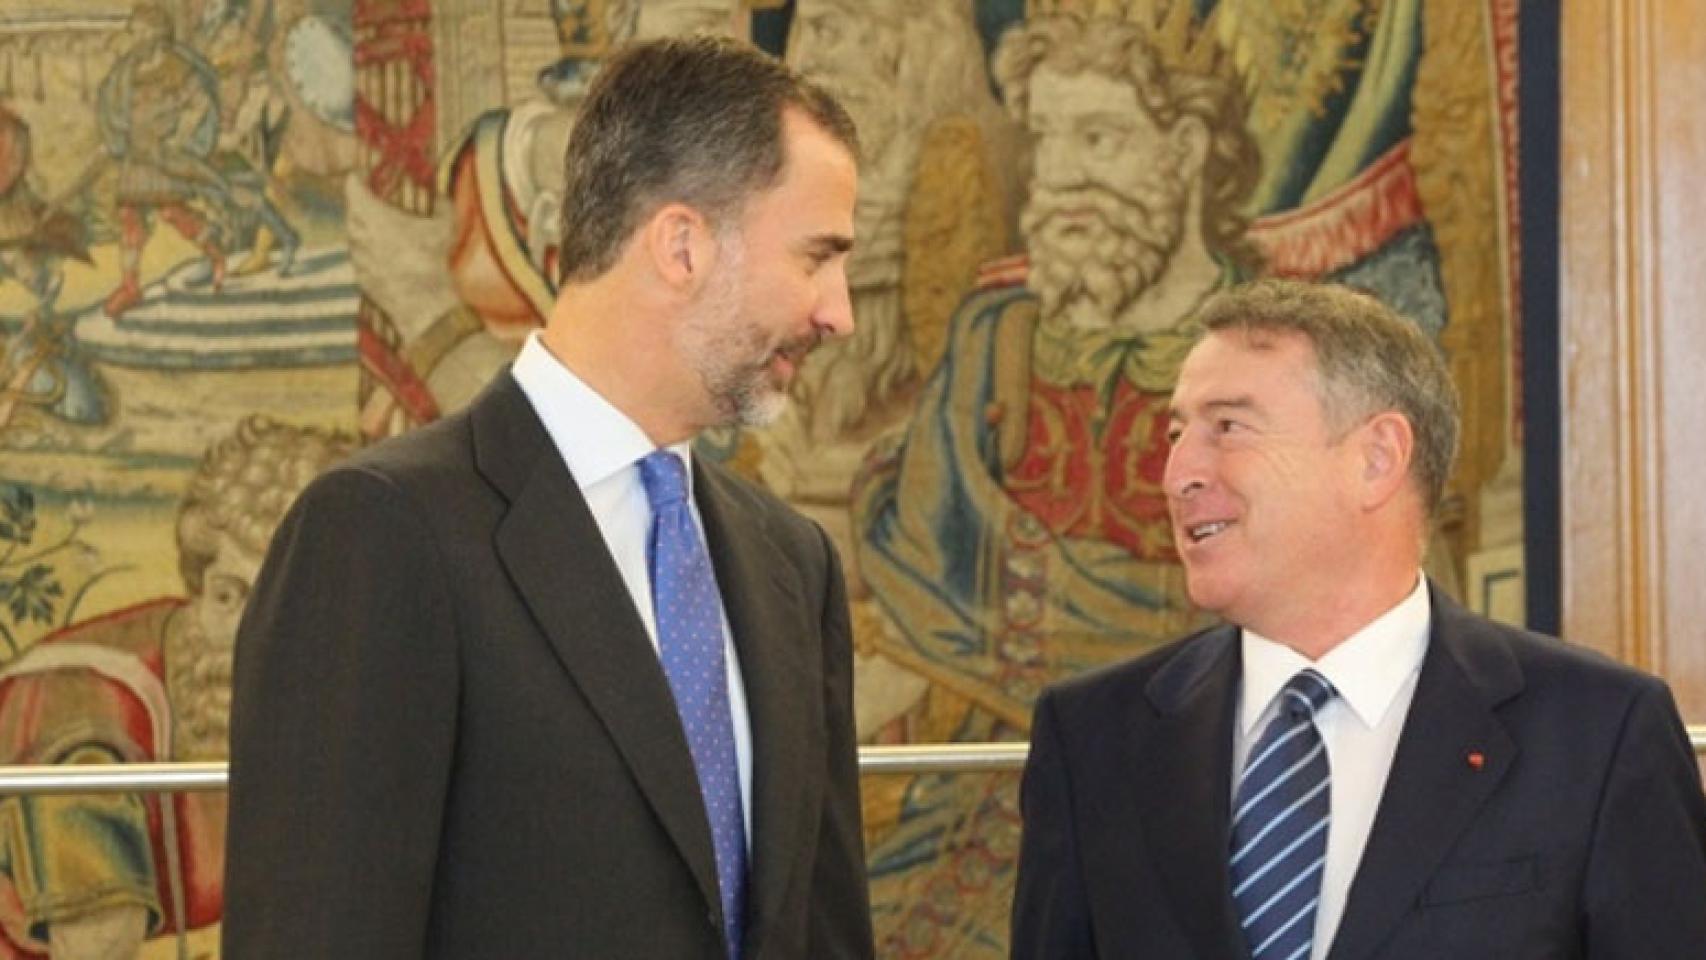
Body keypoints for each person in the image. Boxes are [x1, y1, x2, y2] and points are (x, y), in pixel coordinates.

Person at [224, 36, 874, 959]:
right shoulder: (383, 534)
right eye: (817, 256)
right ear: (682, 244)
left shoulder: (792, 564)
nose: (838, 310)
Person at [1010, 278, 1706, 959]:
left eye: (1227, 427)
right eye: (1174, 432)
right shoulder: (1093, 737)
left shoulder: (1598, 733)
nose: (1176, 473)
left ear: (1377, 460)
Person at [0, 416, 355, 959]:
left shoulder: (325, 696)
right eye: (227, 597)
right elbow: (97, 948)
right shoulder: (86, 703)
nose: (245, 636)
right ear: (198, 576)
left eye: (285, 610)